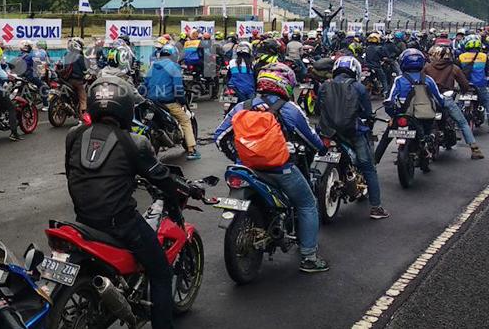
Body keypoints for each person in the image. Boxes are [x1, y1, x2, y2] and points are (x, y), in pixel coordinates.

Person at [65, 76, 202, 329]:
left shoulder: (74, 135)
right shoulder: (134, 142)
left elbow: (73, 172)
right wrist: (189, 189)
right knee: (161, 272)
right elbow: (161, 178)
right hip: (121, 224)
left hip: (83, 220)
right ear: (126, 106)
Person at [214, 63, 329, 273]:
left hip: (246, 170)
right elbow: (311, 140)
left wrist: (238, 157)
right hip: (280, 170)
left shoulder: (242, 106)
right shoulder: (290, 109)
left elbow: (220, 137)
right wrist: (322, 149)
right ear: (285, 84)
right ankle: (309, 257)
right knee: (307, 203)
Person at [318, 56, 389, 219]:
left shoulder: (324, 86)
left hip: (328, 132)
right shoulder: (359, 87)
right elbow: (366, 113)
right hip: (353, 133)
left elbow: (317, 108)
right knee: (368, 167)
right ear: (355, 70)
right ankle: (376, 208)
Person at [375, 49, 445, 163]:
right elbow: (439, 99)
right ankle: (428, 143)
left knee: (385, 139)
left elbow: (389, 100)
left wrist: (393, 115)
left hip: (402, 116)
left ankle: (374, 161)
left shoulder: (399, 80)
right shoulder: (428, 79)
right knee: (432, 128)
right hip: (424, 117)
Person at [424, 45, 482, 158]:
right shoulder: (453, 68)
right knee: (463, 123)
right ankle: (474, 149)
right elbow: (464, 84)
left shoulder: (427, 68)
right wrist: (465, 90)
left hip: (429, 99)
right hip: (446, 99)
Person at [144, 45, 198, 160]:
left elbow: (145, 83)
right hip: (168, 102)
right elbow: (178, 87)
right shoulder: (174, 66)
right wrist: (183, 101)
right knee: (185, 120)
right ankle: (191, 150)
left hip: (152, 102)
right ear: (173, 55)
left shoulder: (153, 66)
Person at [458, 35, 489, 125]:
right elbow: (487, 71)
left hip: (465, 84)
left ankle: (456, 120)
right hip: (480, 84)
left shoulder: (461, 57)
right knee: (486, 101)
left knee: (459, 103)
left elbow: (458, 70)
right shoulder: (484, 56)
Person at [60, 37, 90, 123]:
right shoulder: (80, 57)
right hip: (77, 81)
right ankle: (82, 116)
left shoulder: (66, 55)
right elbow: (84, 68)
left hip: (66, 80)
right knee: (83, 98)